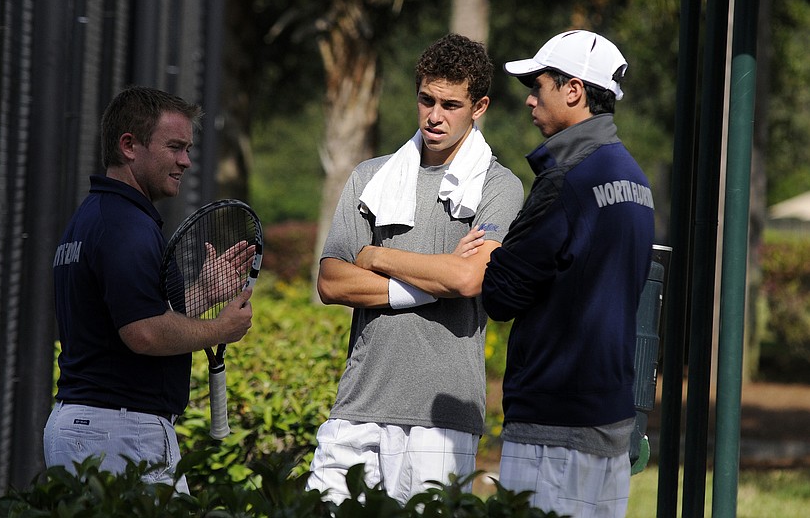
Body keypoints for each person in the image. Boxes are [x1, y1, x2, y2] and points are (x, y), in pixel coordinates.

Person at [304, 34, 523, 505]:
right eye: (426, 100)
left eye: (450, 104)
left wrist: (376, 256)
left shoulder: (500, 187)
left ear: (479, 106)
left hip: (443, 420)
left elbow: (469, 279)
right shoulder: (370, 177)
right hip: (357, 403)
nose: (435, 116)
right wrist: (434, 280)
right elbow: (330, 281)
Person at [44, 86, 254, 492]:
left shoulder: (92, 217)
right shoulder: (127, 227)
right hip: (119, 432)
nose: (186, 161)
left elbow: (123, 319)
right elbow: (142, 333)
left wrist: (203, 296)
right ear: (129, 146)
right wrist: (219, 329)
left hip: (86, 426)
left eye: (188, 148)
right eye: (175, 147)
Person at [481, 30, 655, 517]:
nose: (530, 100)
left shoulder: (566, 178)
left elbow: (499, 295)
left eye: (538, 86)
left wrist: (490, 250)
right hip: (611, 420)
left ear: (573, 90)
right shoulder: (635, 179)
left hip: (552, 422)